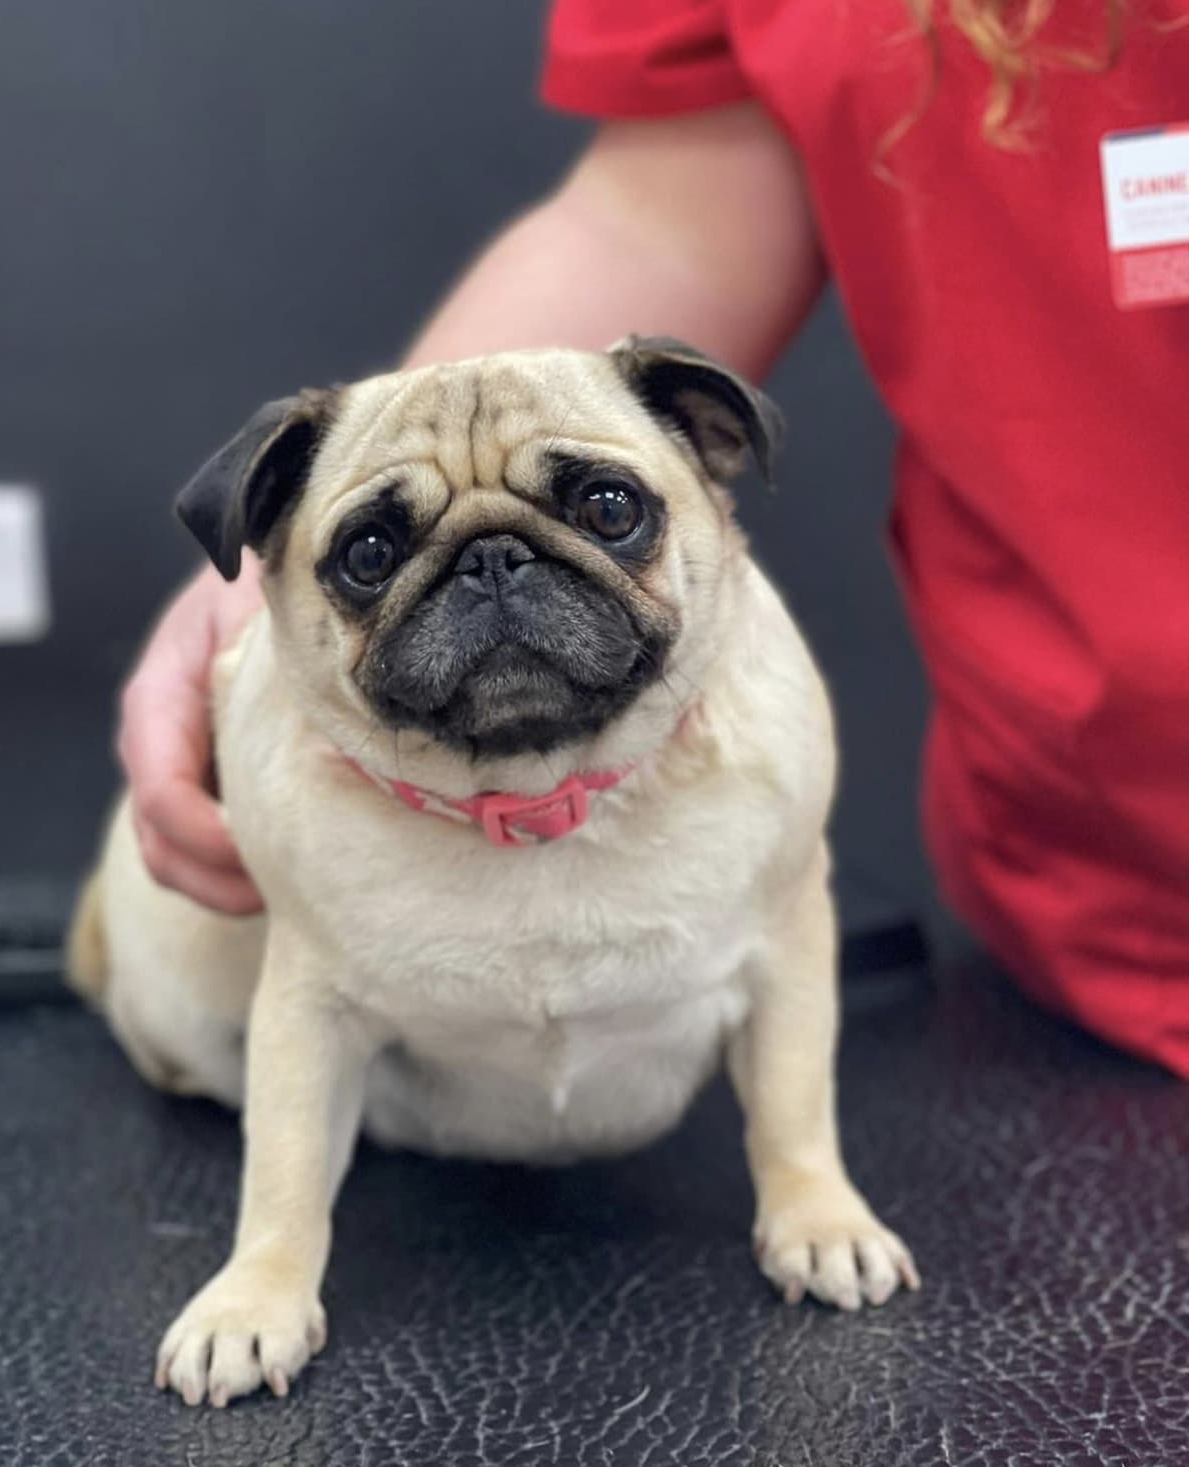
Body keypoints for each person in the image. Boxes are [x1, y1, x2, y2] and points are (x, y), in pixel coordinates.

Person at [117, 1, 1189, 1075]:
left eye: (602, 518)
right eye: (377, 560)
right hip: (1102, 919)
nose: (499, 571)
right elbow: (671, 213)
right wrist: (321, 527)